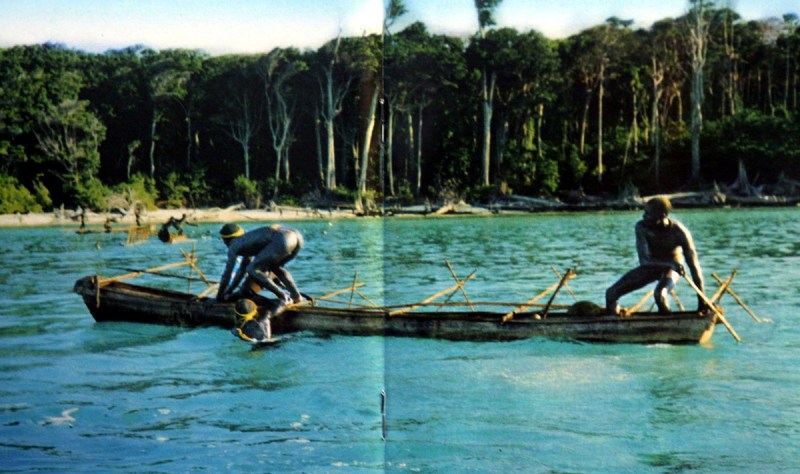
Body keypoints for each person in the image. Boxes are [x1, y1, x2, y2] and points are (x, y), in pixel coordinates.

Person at [605, 197, 706, 315]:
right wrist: (669, 263)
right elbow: (644, 260)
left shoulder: (679, 232)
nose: (644, 216)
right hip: (651, 265)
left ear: (662, 215)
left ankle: (668, 325)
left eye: (648, 213)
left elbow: (694, 268)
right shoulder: (642, 227)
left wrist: (702, 300)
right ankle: (615, 322)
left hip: (672, 269)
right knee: (611, 294)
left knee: (660, 295)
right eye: (645, 212)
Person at [216, 223, 304, 304]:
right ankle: (296, 296)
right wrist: (229, 291)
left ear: (226, 240)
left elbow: (227, 275)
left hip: (283, 238)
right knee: (275, 267)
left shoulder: (234, 245)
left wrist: (219, 297)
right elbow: (241, 271)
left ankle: (283, 296)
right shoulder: (247, 241)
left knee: (252, 269)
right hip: (295, 236)